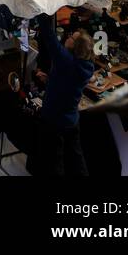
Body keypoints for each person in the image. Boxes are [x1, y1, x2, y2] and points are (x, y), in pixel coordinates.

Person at [32, 14, 95, 176]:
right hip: (71, 119)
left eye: (71, 38)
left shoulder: (65, 60)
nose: (67, 37)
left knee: (54, 161)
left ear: (76, 47)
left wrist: (44, 10)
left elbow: (49, 35)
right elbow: (67, 83)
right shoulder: (86, 66)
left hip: (54, 119)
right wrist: (50, 79)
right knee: (75, 157)